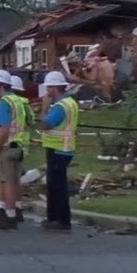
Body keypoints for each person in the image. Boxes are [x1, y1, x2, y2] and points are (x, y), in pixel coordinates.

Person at [0, 70, 31, 230]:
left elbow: (4, 128)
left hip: (7, 146)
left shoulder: (4, 102)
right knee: (14, 181)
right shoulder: (17, 101)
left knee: (6, 182)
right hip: (19, 146)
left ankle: (9, 216)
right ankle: (13, 211)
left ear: (0, 85)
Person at [40, 70, 78, 232]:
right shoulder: (70, 103)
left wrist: (44, 108)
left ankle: (60, 220)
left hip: (58, 149)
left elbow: (46, 124)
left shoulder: (60, 106)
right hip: (65, 148)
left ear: (55, 88)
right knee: (57, 185)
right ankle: (57, 218)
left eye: (48, 88)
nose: (47, 91)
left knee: (57, 186)